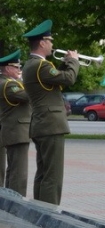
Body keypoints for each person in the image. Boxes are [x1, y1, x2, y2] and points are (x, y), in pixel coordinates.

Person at [21, 20, 79, 205]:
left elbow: (54, 82)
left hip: (41, 123)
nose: (52, 45)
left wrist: (63, 65)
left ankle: (39, 209)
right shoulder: (41, 66)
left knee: (43, 173)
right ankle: (49, 214)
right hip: (50, 124)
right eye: (50, 41)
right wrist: (73, 61)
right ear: (42, 43)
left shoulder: (32, 65)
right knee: (52, 177)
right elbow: (69, 79)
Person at [0, 49, 31, 196]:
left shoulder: (10, 83)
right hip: (16, 132)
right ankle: (16, 206)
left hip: (16, 131)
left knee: (14, 171)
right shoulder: (8, 85)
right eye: (17, 67)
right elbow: (28, 96)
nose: (20, 70)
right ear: (7, 69)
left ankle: (10, 202)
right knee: (19, 175)